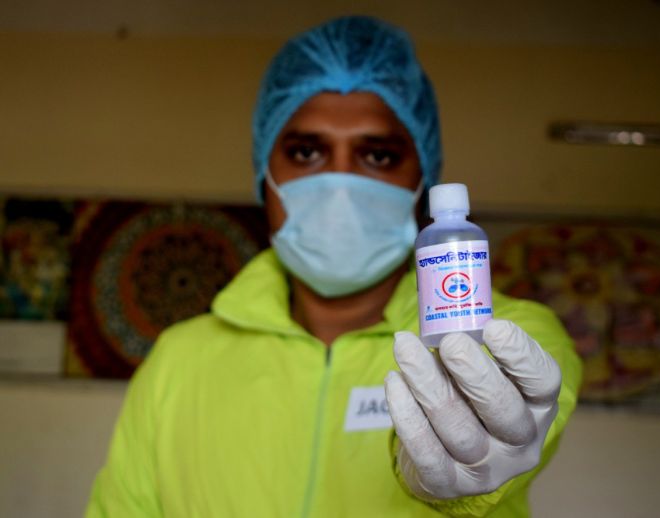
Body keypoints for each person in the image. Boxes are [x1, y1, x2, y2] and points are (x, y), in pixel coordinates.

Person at [87, 15, 582, 517]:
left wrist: (462, 480)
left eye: (378, 156)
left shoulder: (505, 332)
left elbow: (507, 428)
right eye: (306, 152)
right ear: (265, 174)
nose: (340, 182)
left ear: (423, 177)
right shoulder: (180, 360)